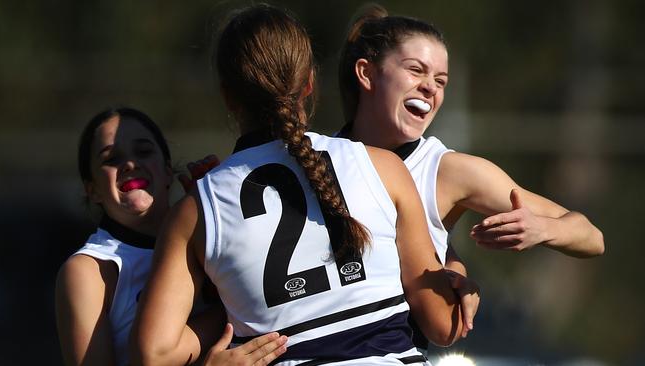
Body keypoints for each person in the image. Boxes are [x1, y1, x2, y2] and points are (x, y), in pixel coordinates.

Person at [131, 4, 464, 366]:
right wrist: (457, 274)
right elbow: (443, 324)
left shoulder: (195, 211)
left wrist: (238, 310)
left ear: (228, 96)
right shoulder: (384, 167)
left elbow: (155, 354)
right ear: (308, 83)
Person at [336, 3, 604, 346]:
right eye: (416, 70)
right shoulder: (316, 157)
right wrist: (453, 263)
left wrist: (542, 229)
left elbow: (592, 238)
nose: (430, 88)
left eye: (441, 80)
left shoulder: (448, 170)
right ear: (366, 73)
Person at [55, 107, 287, 366]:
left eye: (144, 152)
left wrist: (225, 214)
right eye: (111, 158)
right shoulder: (88, 270)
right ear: (92, 189)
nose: (130, 164)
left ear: (167, 171)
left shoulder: (206, 231)